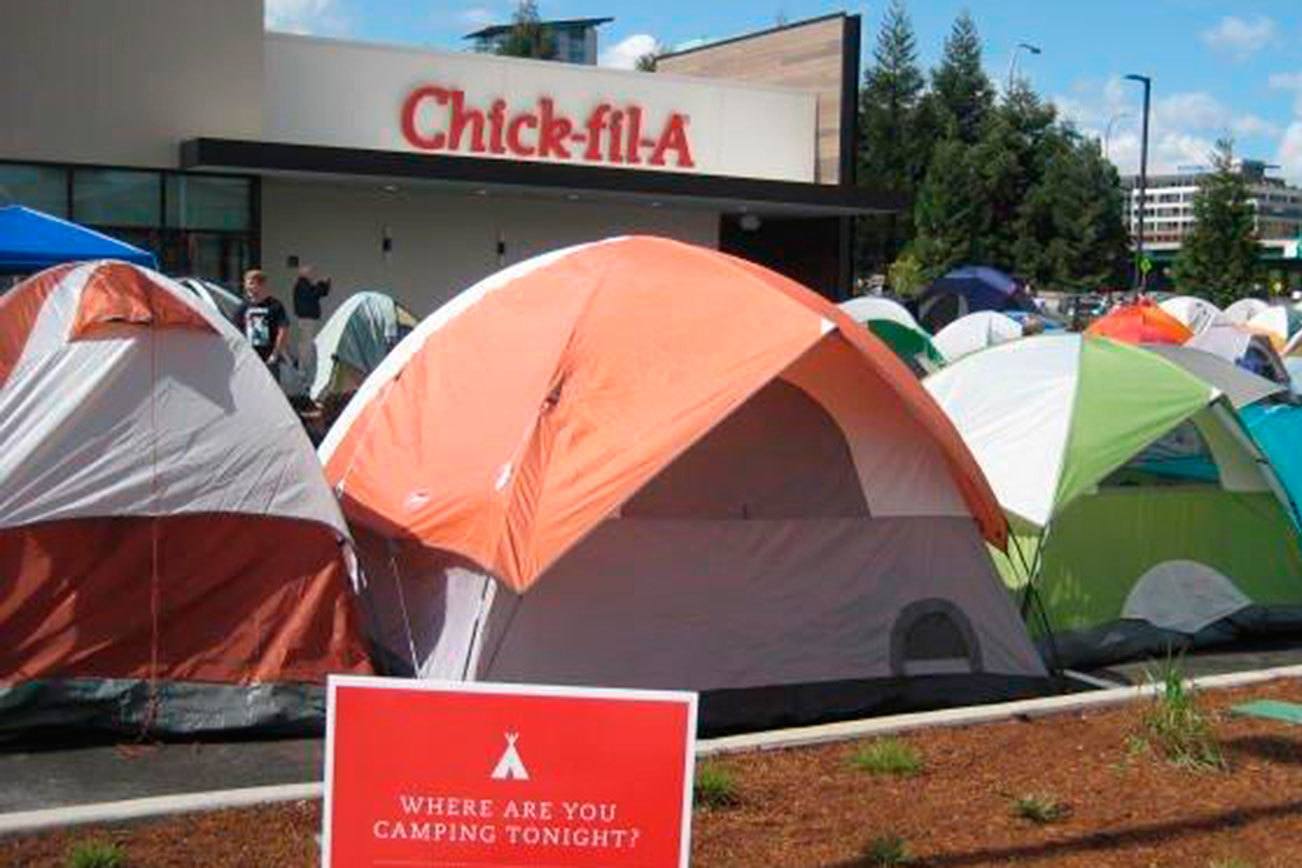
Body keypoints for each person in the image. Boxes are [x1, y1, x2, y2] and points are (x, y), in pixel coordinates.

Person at [235, 269, 289, 379]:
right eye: (246, 284)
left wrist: (275, 354)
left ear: (261, 285)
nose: (247, 287)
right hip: (249, 357)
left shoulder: (275, 306)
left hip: (269, 357)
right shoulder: (244, 306)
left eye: (250, 283)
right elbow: (236, 329)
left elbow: (283, 330)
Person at [292, 265, 331, 382]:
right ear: (304, 274)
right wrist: (322, 283)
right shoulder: (302, 285)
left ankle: (304, 367)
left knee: (307, 342)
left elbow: (320, 293)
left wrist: (325, 285)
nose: (312, 275)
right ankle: (303, 368)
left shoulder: (304, 285)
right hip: (306, 318)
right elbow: (314, 294)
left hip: (307, 318)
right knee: (306, 343)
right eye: (310, 273)